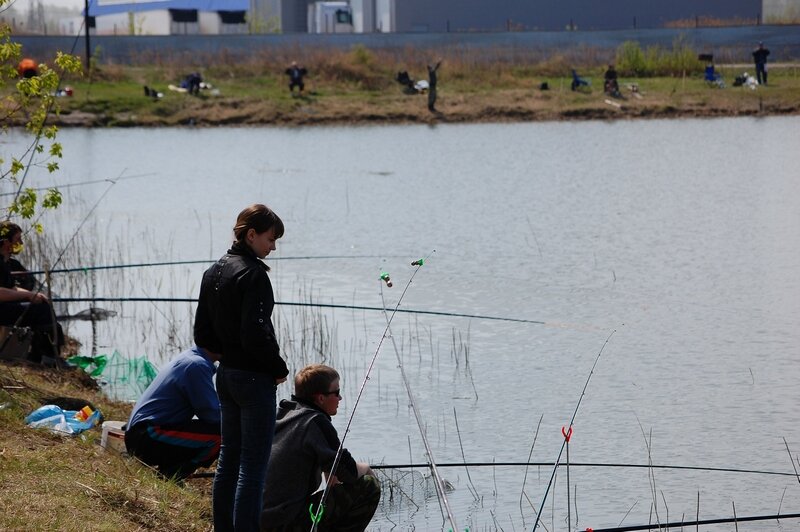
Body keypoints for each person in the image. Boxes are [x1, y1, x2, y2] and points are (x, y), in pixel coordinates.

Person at [195, 204, 289, 532]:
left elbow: (202, 334)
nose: (273, 247)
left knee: (229, 462)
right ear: (251, 235)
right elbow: (255, 333)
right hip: (254, 381)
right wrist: (279, 368)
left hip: (226, 377)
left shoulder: (214, 271)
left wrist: (228, 355)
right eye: (270, 239)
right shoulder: (254, 275)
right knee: (253, 468)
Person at [261, 364, 381, 532]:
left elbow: (330, 465)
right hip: (285, 522)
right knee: (369, 486)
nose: (340, 398)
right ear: (320, 398)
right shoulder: (315, 422)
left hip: (258, 517)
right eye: (336, 393)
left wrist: (331, 472)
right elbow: (350, 473)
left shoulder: (286, 415)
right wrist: (366, 468)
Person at [124, 345, 222, 481]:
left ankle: (170, 470)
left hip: (140, 434)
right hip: (148, 436)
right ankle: (173, 475)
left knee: (217, 429)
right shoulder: (197, 366)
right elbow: (212, 415)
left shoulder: (190, 357)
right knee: (221, 436)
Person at [0, 221, 63, 364]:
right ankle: (47, 357)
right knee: (41, 312)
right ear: (5, 242)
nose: (20, 242)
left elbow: (11, 288)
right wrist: (27, 295)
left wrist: (35, 295)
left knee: (43, 305)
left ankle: (44, 355)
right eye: (17, 239)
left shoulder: (4, 262)